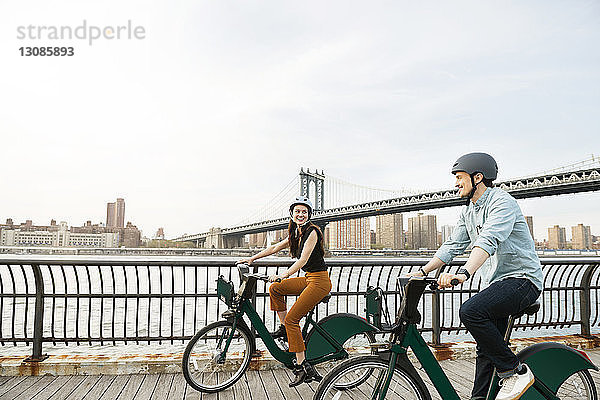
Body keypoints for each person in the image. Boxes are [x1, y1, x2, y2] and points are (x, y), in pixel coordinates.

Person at [410, 153, 543, 400]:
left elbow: (488, 239)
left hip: (522, 280)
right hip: (498, 283)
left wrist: (463, 273)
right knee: (486, 349)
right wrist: (422, 271)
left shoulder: (502, 202)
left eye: (460, 178)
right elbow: (452, 245)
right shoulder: (470, 211)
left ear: (477, 177)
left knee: (471, 311)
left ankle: (516, 371)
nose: (456, 183)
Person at [239, 196, 331, 387]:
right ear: (292, 214)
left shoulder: (312, 232)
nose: (300, 214)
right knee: (275, 289)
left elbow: (303, 260)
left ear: (309, 215)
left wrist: (285, 274)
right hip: (308, 279)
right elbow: (274, 248)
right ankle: (286, 330)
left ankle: (302, 366)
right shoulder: (295, 233)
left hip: (320, 281)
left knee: (292, 320)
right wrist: (251, 259)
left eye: (304, 211)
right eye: (297, 211)